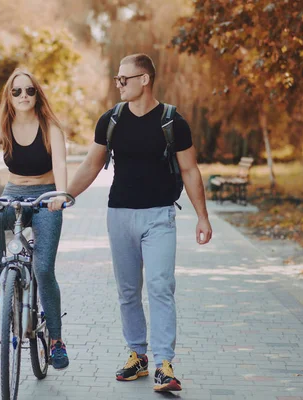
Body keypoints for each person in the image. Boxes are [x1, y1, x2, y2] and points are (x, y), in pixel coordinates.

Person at [67, 54, 213, 392]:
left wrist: (202, 217)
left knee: (161, 287)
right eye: (117, 79)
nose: (118, 84)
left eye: (124, 79)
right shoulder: (111, 119)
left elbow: (190, 170)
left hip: (160, 215)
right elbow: (91, 165)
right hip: (119, 215)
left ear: (144, 79)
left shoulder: (172, 121)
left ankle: (165, 364)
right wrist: (66, 196)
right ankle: (137, 355)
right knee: (128, 291)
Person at [0, 69, 70, 370]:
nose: (23, 96)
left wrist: (60, 195)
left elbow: (60, 163)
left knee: (42, 268)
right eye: (17, 92)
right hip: (13, 193)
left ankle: (56, 341)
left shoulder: (50, 126)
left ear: (37, 94)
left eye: (29, 91)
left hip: (45, 198)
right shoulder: (1, 127)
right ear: (9, 97)